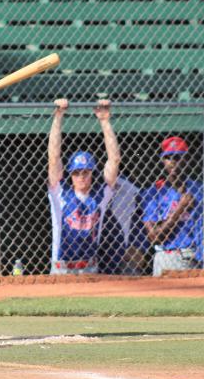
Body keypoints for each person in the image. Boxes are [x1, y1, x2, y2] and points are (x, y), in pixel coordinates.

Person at [46, 99, 143, 275]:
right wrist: (58, 117)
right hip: (62, 267)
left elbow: (114, 159)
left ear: (91, 173)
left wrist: (105, 121)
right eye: (76, 173)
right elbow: (53, 157)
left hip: (90, 267)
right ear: (71, 175)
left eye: (85, 172)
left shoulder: (100, 195)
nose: (81, 176)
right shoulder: (60, 193)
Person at [142, 136, 204, 276]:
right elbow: (154, 237)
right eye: (169, 157)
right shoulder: (154, 193)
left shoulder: (200, 190)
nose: (173, 162)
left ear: (187, 159)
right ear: (163, 160)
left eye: (178, 157)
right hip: (165, 256)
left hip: (193, 257)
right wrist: (180, 209)